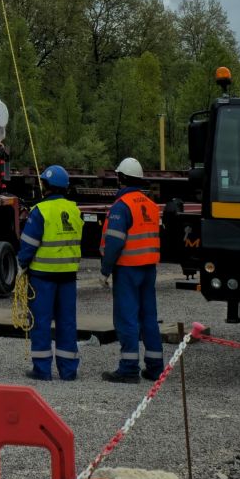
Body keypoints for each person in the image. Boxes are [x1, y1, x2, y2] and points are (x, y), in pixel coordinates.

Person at [16, 166, 84, 382]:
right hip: (68, 276)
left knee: (41, 322)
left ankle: (42, 370)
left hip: (43, 276)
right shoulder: (74, 209)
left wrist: (21, 265)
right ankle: (68, 371)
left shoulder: (40, 211)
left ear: (45, 186)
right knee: (67, 323)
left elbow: (28, 244)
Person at [100, 155, 163, 384]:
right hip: (148, 269)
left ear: (121, 178)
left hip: (127, 269)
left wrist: (105, 270)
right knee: (149, 318)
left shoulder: (122, 206)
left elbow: (115, 242)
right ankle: (156, 368)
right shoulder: (151, 205)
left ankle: (128, 369)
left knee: (127, 319)